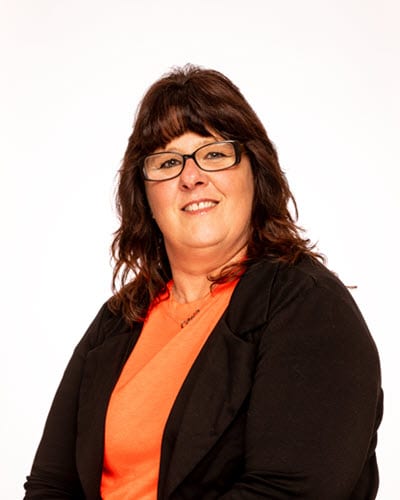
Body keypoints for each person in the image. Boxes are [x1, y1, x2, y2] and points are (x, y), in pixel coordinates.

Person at [24, 65, 383, 500]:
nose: (191, 177)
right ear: (144, 194)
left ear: (256, 170)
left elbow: (288, 492)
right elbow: (50, 485)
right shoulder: (120, 321)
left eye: (214, 153)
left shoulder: (308, 308)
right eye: (168, 161)